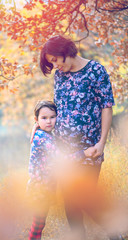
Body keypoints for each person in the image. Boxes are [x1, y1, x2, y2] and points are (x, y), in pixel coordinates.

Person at [39, 35, 126, 240]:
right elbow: (56, 107)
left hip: (90, 150)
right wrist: (41, 123)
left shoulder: (96, 71)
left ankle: (115, 233)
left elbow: (106, 107)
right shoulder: (59, 75)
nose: (54, 66)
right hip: (64, 151)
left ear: (66, 52)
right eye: (51, 62)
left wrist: (102, 143)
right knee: (70, 205)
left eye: (55, 60)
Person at [28, 100, 98, 240]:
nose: (49, 121)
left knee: (40, 223)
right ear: (36, 120)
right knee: (38, 224)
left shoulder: (45, 134)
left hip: (45, 187)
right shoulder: (42, 138)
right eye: (44, 118)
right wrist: (84, 153)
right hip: (40, 189)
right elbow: (61, 159)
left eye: (52, 117)